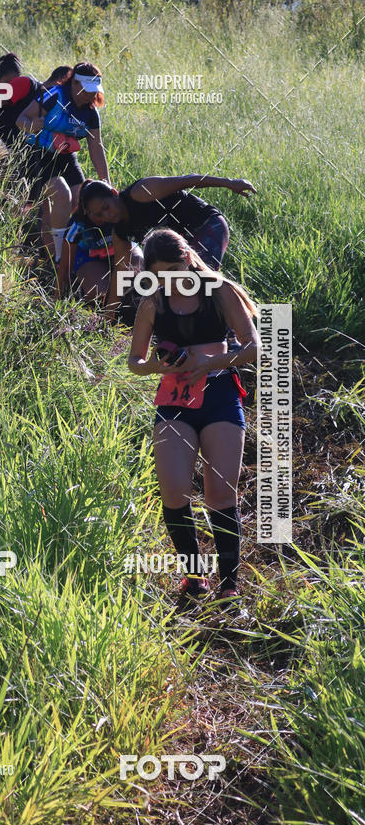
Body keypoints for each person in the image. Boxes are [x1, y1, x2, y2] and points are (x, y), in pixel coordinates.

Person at [127, 228, 260, 606]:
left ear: (187, 256)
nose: (170, 279)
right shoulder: (153, 303)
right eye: (160, 274)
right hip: (174, 399)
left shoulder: (218, 290)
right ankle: (193, 575)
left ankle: (230, 582)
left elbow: (253, 347)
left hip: (219, 393)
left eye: (174, 268)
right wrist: (156, 364)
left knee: (220, 493)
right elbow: (134, 362)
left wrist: (210, 362)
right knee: (173, 490)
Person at [78, 175, 256, 318]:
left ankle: (239, 330)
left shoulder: (141, 192)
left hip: (207, 225)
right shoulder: (120, 232)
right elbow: (120, 273)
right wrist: (108, 318)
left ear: (115, 193)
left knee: (200, 284)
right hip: (182, 244)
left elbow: (188, 180)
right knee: (178, 287)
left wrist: (229, 183)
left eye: (106, 207)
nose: (107, 215)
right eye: (100, 214)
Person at [16, 62, 110, 263]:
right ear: (75, 84)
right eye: (88, 90)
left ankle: (70, 250)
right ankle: (59, 259)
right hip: (36, 153)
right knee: (61, 195)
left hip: (65, 157)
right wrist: (32, 125)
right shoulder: (54, 95)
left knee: (80, 199)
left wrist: (106, 182)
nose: (91, 95)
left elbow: (96, 147)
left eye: (95, 91)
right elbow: (20, 120)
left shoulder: (90, 112)